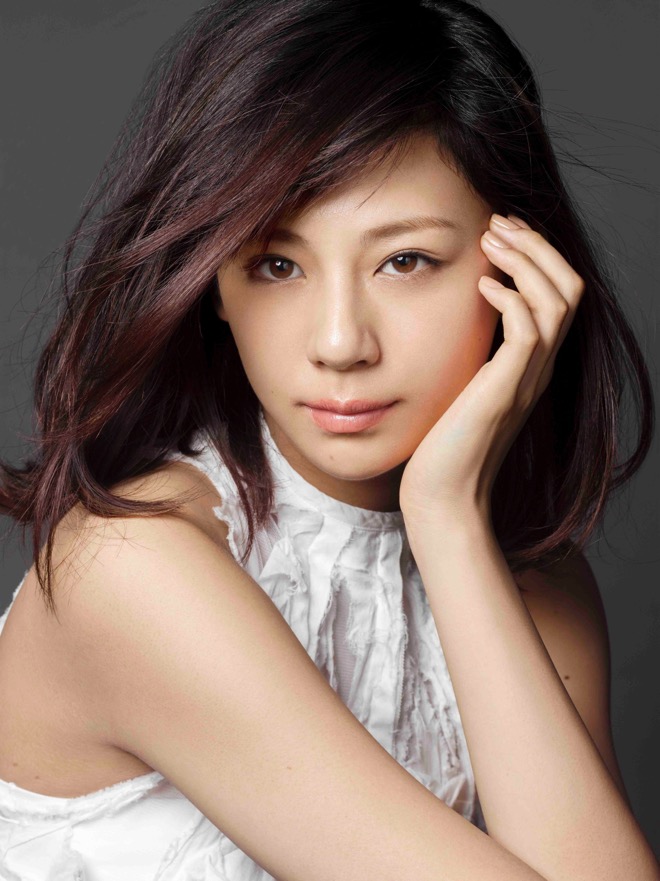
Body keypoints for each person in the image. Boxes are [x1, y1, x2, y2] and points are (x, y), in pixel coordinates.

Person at [0, 0, 657, 878]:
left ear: (515, 270)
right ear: (213, 283)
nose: (341, 342)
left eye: (405, 261)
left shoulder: (535, 583)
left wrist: (448, 519)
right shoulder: (128, 567)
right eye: (277, 264)